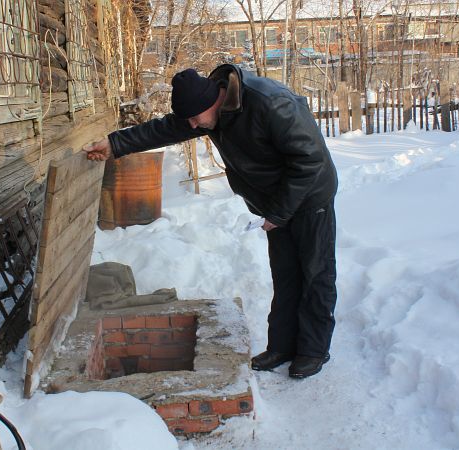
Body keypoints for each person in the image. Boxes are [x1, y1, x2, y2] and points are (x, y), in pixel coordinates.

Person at [84, 65, 338, 379]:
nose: (193, 126)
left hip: (311, 196)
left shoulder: (270, 104)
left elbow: (309, 160)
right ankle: (282, 347)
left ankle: (313, 350)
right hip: (277, 200)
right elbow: (165, 129)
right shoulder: (209, 108)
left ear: (213, 100)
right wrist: (115, 144)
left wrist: (279, 213)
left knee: (315, 273)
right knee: (286, 275)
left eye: (195, 119)